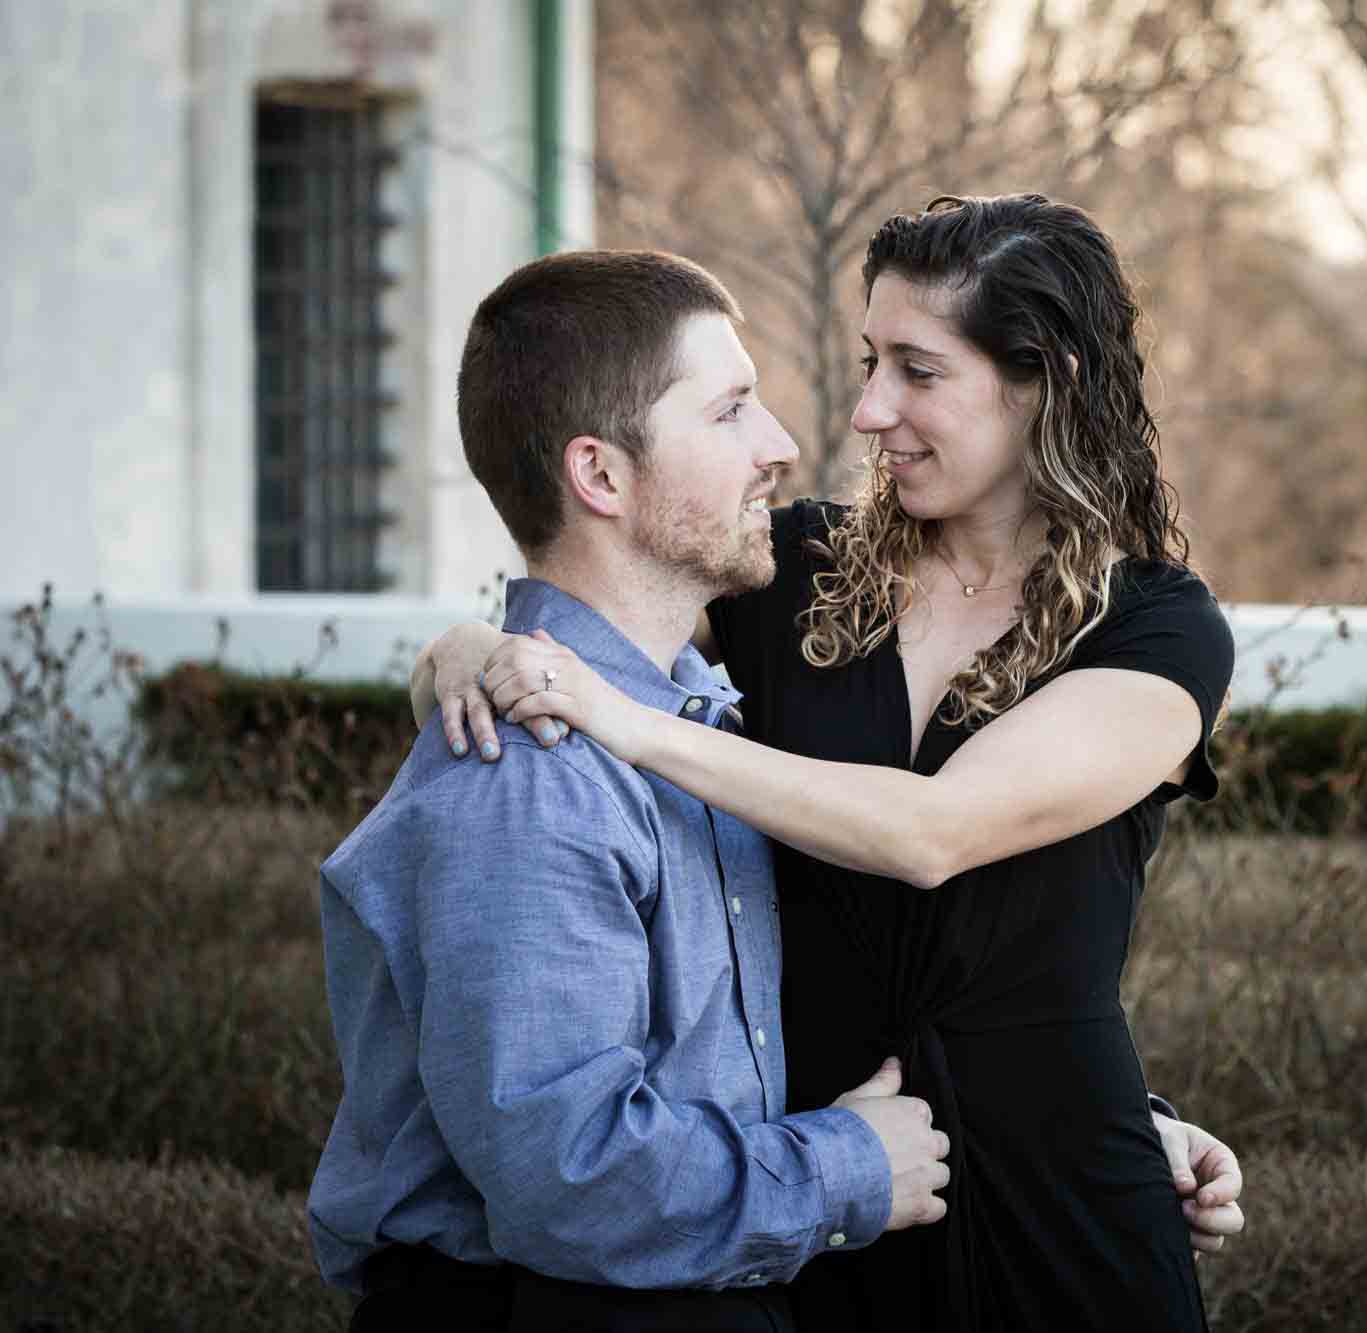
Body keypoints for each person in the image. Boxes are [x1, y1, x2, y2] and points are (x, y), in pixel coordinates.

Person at [418, 194, 1243, 1330]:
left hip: (1066, 1202)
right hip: (830, 1186)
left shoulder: (1158, 632)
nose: (867, 410)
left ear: (1039, 379)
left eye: (917, 370)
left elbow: (931, 834)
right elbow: (598, 614)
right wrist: (464, 650)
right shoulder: (794, 567)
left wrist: (622, 718)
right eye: (869, 361)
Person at [308, 250, 955, 1332]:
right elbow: (573, 1178)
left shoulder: (703, 730)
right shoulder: (530, 773)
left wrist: (1094, 1130)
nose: (781, 446)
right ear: (601, 476)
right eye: (731, 410)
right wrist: (841, 1169)